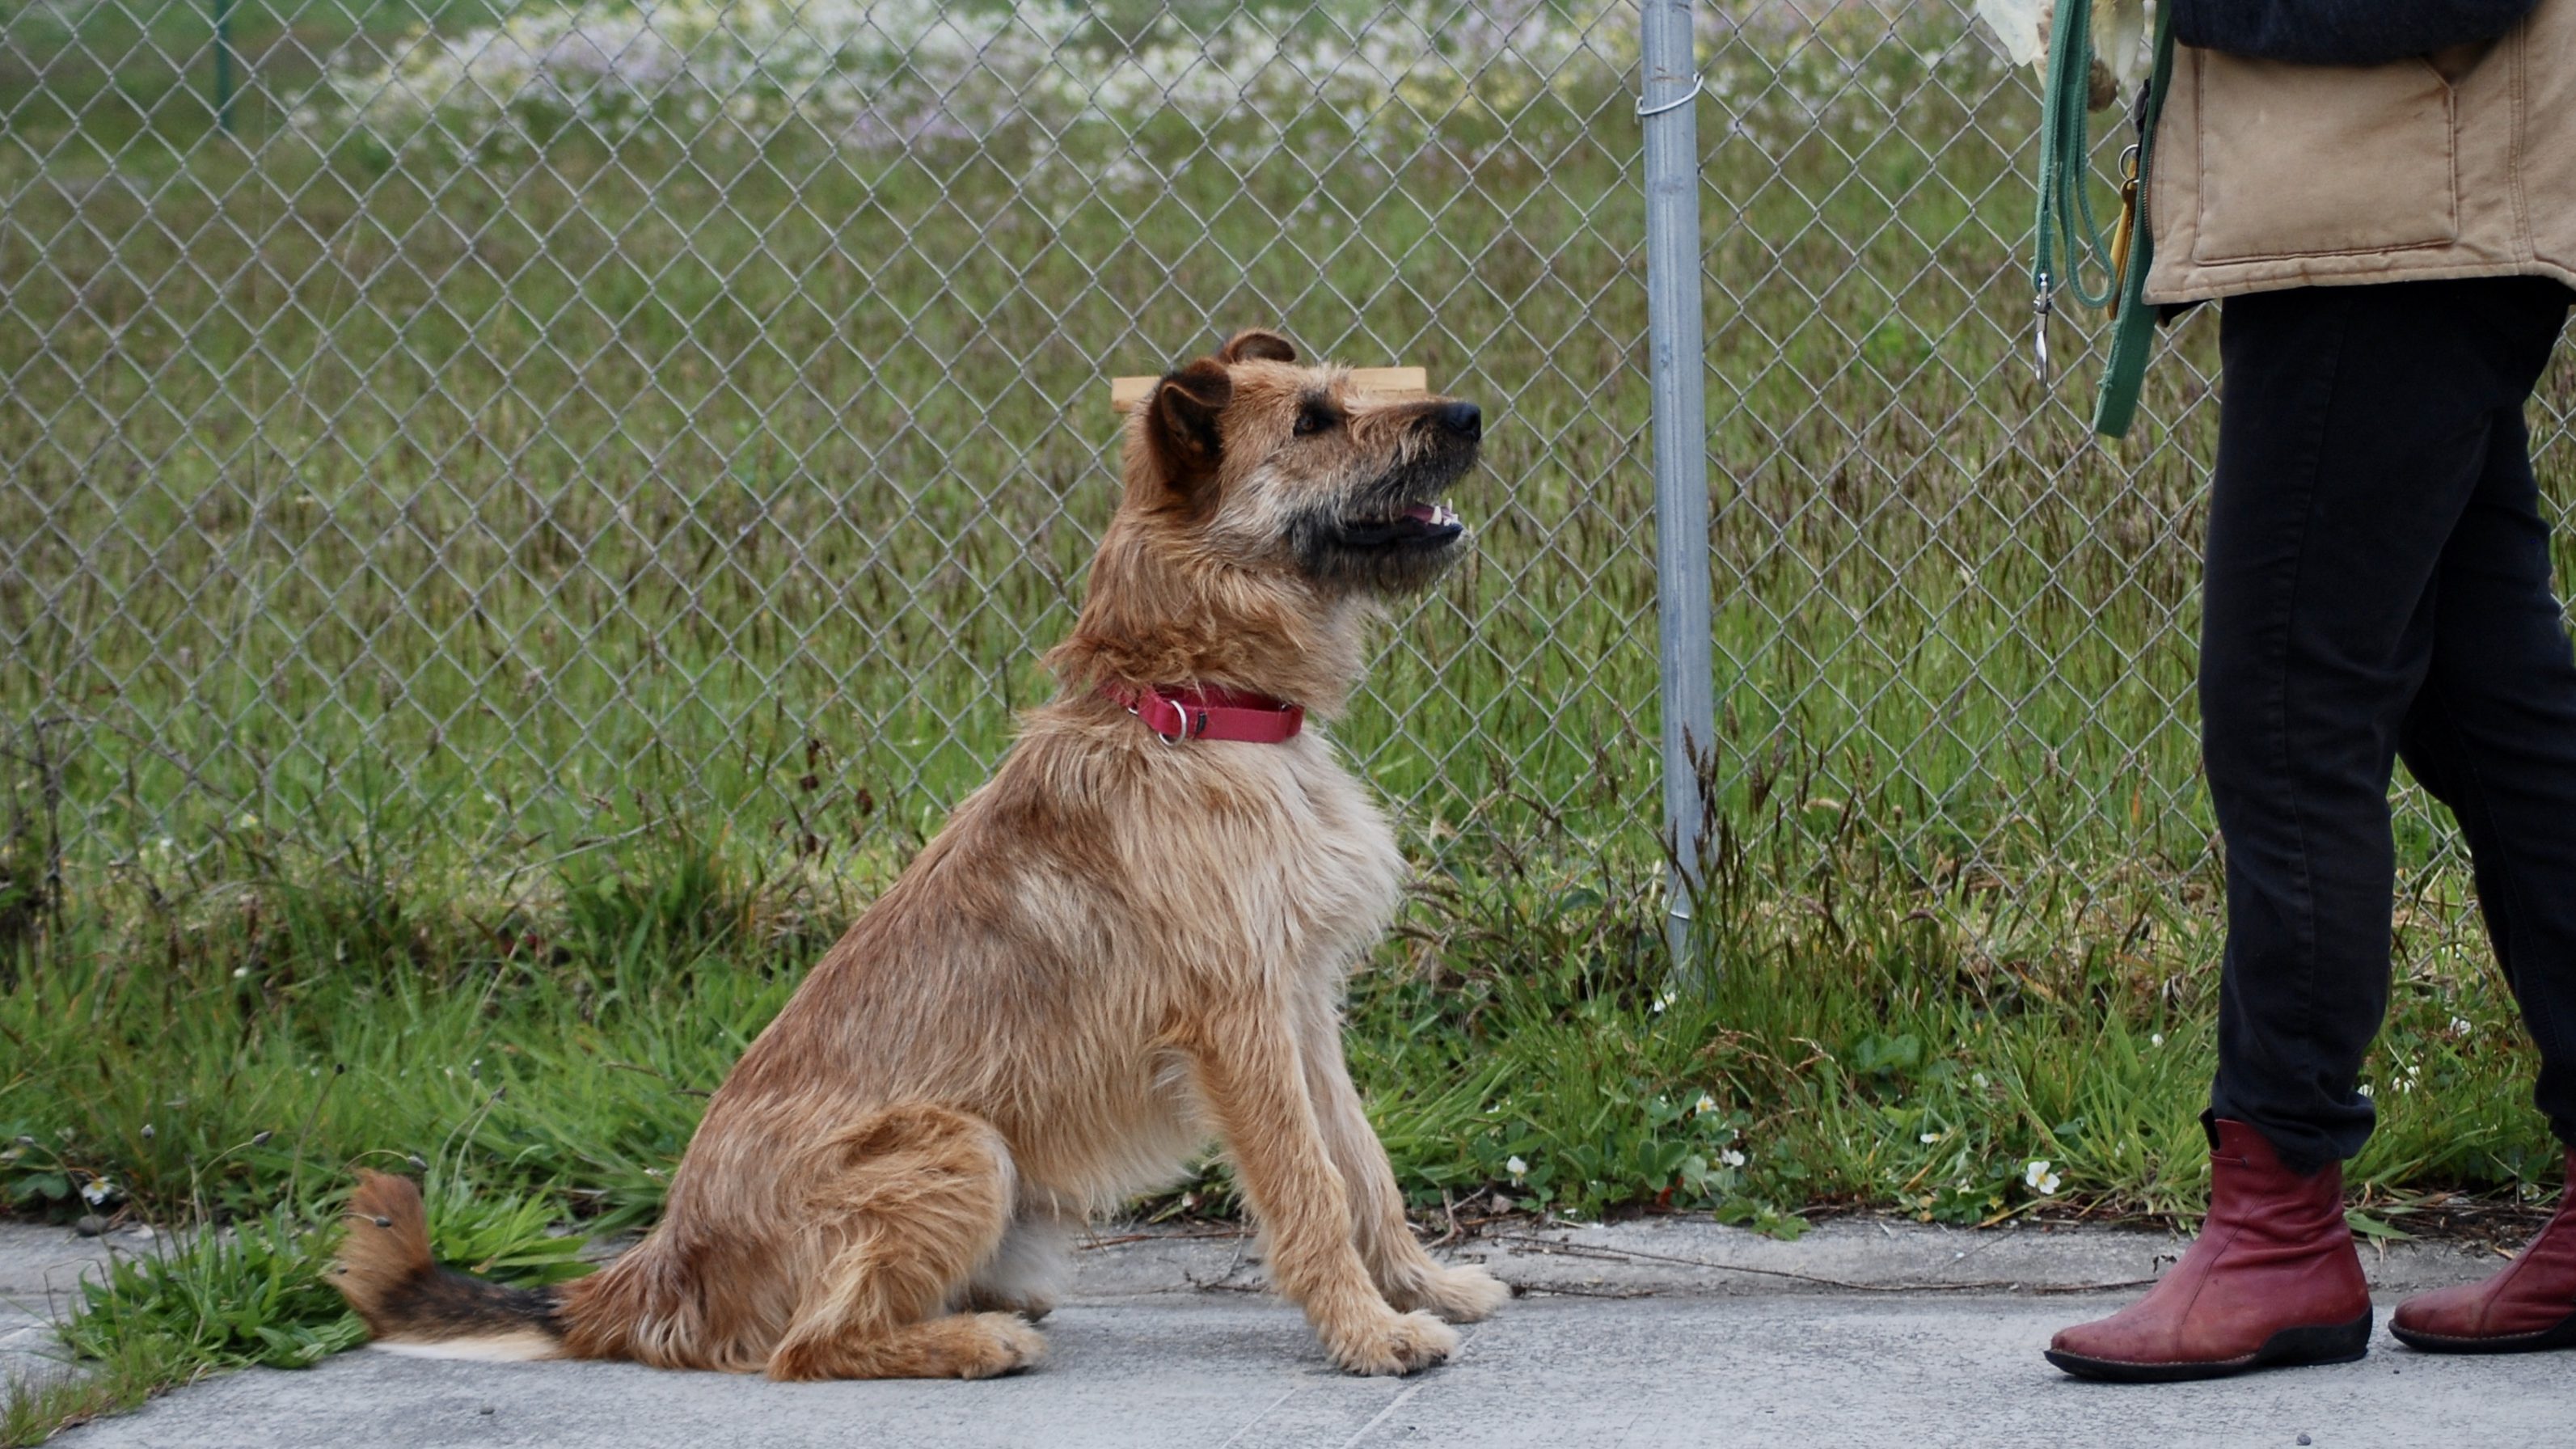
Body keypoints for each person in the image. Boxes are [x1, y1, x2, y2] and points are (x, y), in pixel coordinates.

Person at [2044, 0, 2576, 1381]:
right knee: (2495, 713)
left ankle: (2277, 1228)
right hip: (2406, 206)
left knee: (2287, 710)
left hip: (2398, 226)